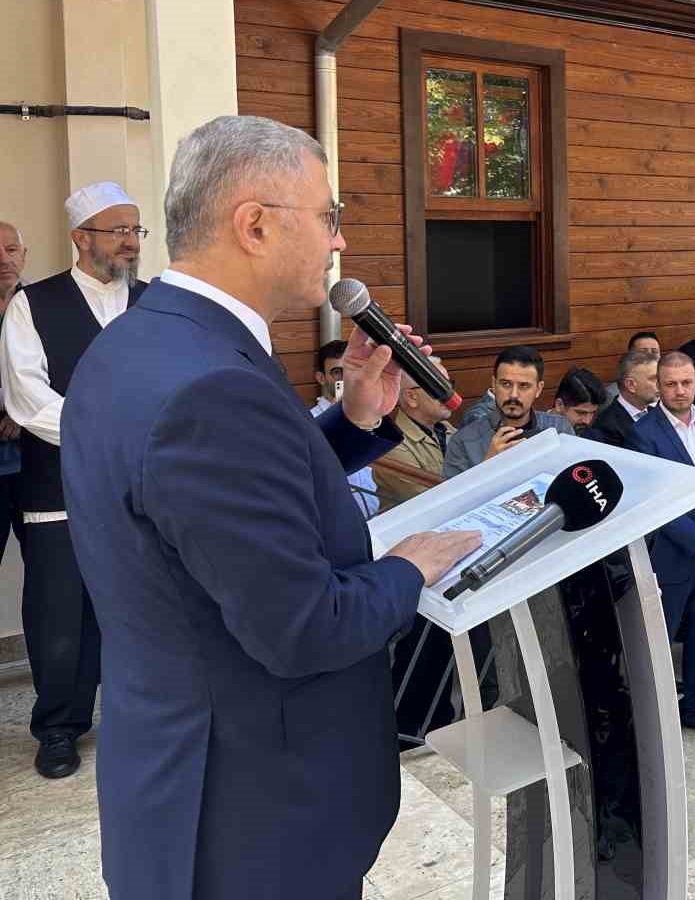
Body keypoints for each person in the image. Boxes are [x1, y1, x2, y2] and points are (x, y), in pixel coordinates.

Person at [59, 116, 479, 899]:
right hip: (252, 814)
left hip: (176, 769)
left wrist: (355, 422)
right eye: (327, 217)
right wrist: (406, 568)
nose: (338, 245)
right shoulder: (212, 388)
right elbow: (303, 627)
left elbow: (219, 510)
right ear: (253, 224)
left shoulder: (139, 342)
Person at [0, 181, 147, 779]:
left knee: (143, 610)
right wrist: (111, 432)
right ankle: (59, 727)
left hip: (142, 492)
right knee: (61, 614)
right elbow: (27, 397)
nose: (131, 243)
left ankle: (141, 721)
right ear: (80, 238)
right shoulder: (33, 305)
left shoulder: (156, 301)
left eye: (136, 230)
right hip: (57, 488)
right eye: (118, 231)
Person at [625, 352, 695, 738]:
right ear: (658, 385)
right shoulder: (644, 433)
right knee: (659, 638)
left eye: (686, 382)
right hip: (673, 555)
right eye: (670, 383)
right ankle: (651, 721)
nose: (679, 390)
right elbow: (651, 502)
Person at [441, 346, 573, 479]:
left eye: (524, 386)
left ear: (538, 389)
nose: (513, 395)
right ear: (494, 384)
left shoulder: (560, 429)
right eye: (506, 384)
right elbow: (453, 498)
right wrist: (487, 467)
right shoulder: (463, 441)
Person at [370, 354, 455, 511]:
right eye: (439, 387)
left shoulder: (447, 429)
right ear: (411, 397)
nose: (450, 394)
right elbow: (434, 503)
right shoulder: (392, 446)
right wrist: (486, 466)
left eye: (450, 385)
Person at [311, 340, 381, 516]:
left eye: (352, 371)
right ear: (321, 378)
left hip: (377, 515)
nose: (346, 378)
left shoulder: (374, 418)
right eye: (337, 373)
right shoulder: (310, 422)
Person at [0, 219, 27, 566]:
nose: (3, 260)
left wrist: (21, 416)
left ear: (24, 255)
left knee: (49, 567)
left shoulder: (46, 306)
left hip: (34, 464)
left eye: (11, 250)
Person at [587, 349, 660, 448]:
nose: (660, 384)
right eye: (653, 379)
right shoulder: (607, 426)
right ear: (630, 385)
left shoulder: (657, 412)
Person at [552, 366, 607, 434]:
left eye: (593, 413)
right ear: (559, 405)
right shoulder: (537, 435)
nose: (588, 421)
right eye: (581, 413)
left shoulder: (594, 436)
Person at [603, 332, 658, 400]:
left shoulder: (668, 390)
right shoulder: (612, 394)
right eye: (643, 352)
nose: (650, 356)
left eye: (655, 352)